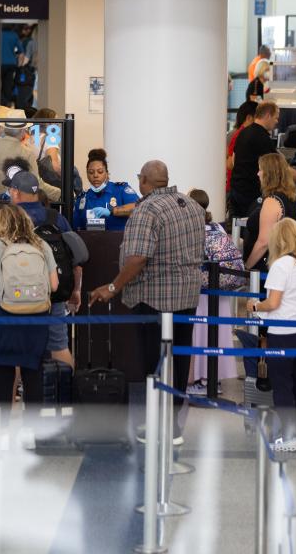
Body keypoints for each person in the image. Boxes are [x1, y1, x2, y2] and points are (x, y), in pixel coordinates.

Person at [91, 160, 205, 442]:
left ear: (144, 181)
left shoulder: (147, 209)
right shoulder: (191, 205)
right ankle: (173, 427)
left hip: (156, 298)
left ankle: (159, 427)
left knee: (155, 363)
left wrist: (113, 286)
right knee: (179, 360)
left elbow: (138, 258)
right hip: (188, 296)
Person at [0, 205, 60, 440]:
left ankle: (2, 433)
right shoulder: (41, 245)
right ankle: (31, 432)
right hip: (36, 317)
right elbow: (54, 286)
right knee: (33, 373)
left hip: (4, 315)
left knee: (4, 373)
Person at [247, 218, 296, 450]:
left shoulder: (280, 265)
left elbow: (273, 303)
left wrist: (255, 306)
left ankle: (287, 436)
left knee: (283, 385)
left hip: (283, 331)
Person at [7, 168, 85, 370]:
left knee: (18, 348)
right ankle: (68, 392)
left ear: (15, 192)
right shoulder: (56, 218)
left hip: (18, 295)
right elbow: (75, 259)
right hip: (53, 292)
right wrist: (75, 290)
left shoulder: (8, 217)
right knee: (59, 346)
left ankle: (17, 396)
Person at [188, 189, 243, 395]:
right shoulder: (217, 227)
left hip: (201, 292)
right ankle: (215, 379)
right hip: (221, 290)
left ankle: (201, 380)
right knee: (218, 333)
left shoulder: (192, 229)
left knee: (200, 333)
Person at [0, 108, 61, 202]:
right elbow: (37, 184)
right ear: (23, 131)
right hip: (17, 203)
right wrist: (58, 193)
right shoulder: (27, 153)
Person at [244, 153, 296, 271]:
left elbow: (264, 242)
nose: (258, 173)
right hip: (284, 261)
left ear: (269, 174)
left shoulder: (272, 201)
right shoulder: (291, 198)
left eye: (260, 170)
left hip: (267, 265)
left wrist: (247, 267)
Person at [229, 101, 280, 217]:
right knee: (250, 229)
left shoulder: (242, 133)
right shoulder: (262, 137)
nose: (277, 122)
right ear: (268, 115)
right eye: (276, 118)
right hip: (251, 194)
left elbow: (233, 160)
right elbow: (277, 167)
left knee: (236, 228)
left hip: (236, 190)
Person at [72, 148, 139, 231]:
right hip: (91, 241)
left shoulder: (120, 190)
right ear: (87, 174)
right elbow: (76, 229)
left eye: (100, 171)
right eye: (91, 172)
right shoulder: (82, 198)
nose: (95, 175)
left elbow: (139, 208)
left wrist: (111, 211)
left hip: (119, 242)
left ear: (107, 173)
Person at [226, 101, 258, 191]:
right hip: (236, 188)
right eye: (258, 118)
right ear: (249, 118)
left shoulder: (242, 133)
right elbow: (230, 164)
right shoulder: (240, 134)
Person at [14, 24, 38, 111]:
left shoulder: (31, 42)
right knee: (32, 94)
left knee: (25, 96)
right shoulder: (45, 42)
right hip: (36, 71)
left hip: (29, 72)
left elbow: (26, 59)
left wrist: (19, 66)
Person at [0, 26, 23, 106]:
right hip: (11, 64)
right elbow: (21, 53)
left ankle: (0, 101)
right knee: (8, 84)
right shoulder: (14, 35)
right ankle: (6, 103)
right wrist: (19, 66)